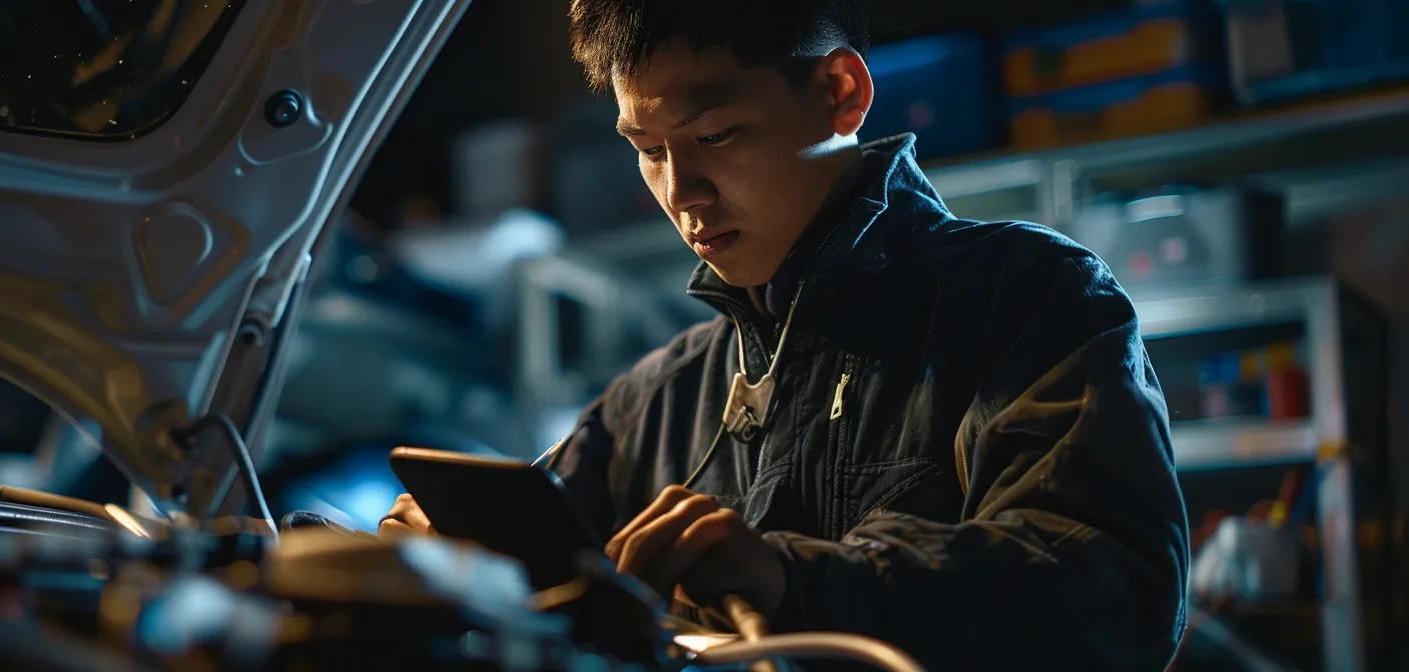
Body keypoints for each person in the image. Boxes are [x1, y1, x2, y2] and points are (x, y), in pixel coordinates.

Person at [380, 1, 1190, 668]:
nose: (681, 192)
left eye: (716, 136)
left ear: (840, 91)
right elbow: (546, 565)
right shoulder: (660, 398)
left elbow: (1120, 595)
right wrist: (456, 560)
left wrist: (791, 580)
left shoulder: (1023, 297)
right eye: (649, 151)